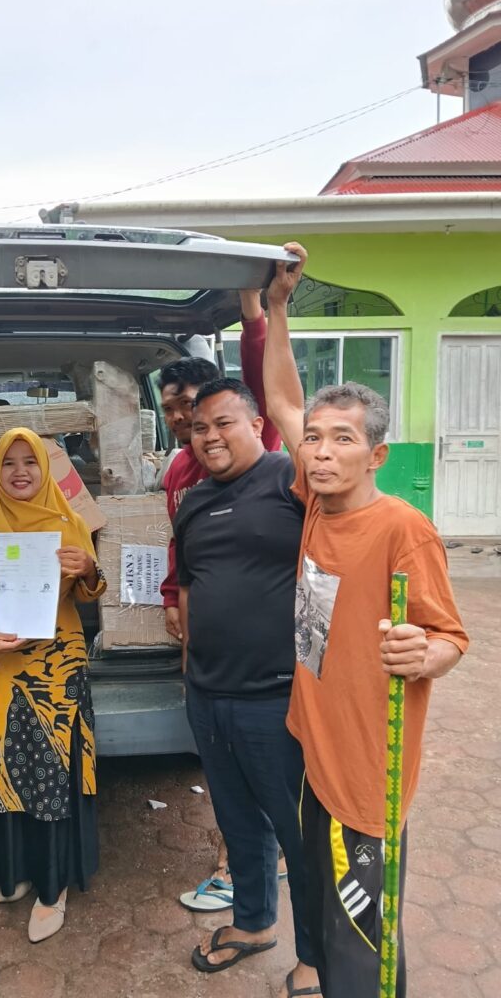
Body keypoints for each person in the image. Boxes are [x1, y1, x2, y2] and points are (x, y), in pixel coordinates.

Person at [263, 244, 469, 998]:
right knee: (323, 913)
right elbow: (282, 400)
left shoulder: (402, 528)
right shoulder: (318, 499)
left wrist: (426, 653)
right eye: (316, 438)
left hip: (365, 770)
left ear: (376, 454)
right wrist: (276, 307)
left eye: (342, 439)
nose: (321, 451)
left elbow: (451, 637)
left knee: (363, 941)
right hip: (314, 745)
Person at [175, 376, 319, 997]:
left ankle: (315, 955)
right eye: (199, 427)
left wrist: (266, 320)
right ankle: (255, 923)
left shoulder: (293, 481)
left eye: (223, 422)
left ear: (257, 424)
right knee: (237, 822)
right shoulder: (193, 502)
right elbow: (188, 587)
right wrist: (190, 667)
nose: (209, 436)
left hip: (277, 696)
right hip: (208, 694)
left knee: (298, 833)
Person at [0, 427, 106, 944]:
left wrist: (89, 568)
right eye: (9, 462)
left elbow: (88, 595)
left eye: (30, 462)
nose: (20, 472)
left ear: (45, 468)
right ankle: (13, 869)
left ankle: (52, 888)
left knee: (49, 779)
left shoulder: (68, 523)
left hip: (54, 679)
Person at [159, 291, 284, 910]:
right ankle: (251, 901)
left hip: (272, 683)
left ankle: (256, 879)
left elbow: (268, 388)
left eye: (199, 408)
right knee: (230, 794)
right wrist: (172, 600)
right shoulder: (183, 479)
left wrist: (258, 312)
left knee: (278, 799)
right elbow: (182, 556)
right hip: (208, 676)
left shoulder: (281, 472)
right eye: (177, 412)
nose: (190, 422)